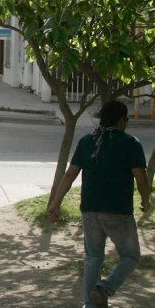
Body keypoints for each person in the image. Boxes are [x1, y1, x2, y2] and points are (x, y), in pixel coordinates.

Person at [47, 100, 151, 308]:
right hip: (118, 211)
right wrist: (146, 201)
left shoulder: (87, 141)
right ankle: (104, 288)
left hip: (89, 210)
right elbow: (141, 179)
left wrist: (55, 203)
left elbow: (69, 175)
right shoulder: (131, 143)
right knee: (130, 256)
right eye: (126, 119)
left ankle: (90, 304)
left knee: (93, 257)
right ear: (121, 120)